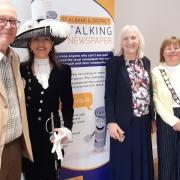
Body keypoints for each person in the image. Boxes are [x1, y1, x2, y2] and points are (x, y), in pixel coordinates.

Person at [11, 19, 74, 180]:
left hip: (52, 135)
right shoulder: (21, 68)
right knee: (30, 174)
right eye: (36, 39)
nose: (41, 44)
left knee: (50, 174)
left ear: (52, 43)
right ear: (30, 44)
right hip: (27, 136)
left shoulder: (63, 70)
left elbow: (68, 105)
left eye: (46, 39)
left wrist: (67, 129)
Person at [105, 25, 155, 180]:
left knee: (143, 160)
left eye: (133, 37)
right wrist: (111, 122)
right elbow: (109, 96)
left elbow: (149, 91)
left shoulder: (146, 62)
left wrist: (152, 117)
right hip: (123, 123)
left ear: (139, 40)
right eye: (125, 38)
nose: (130, 41)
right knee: (124, 163)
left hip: (144, 122)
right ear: (121, 43)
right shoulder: (114, 63)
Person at [0, 2, 33, 180]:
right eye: (2, 19)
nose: (8, 25)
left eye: (13, 21)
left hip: (14, 147)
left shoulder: (15, 57)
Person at [152, 36, 180, 180]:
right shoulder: (156, 71)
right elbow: (155, 99)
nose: (172, 51)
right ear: (162, 52)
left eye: (176, 47)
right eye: (168, 48)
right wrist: (173, 121)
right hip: (166, 117)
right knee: (166, 161)